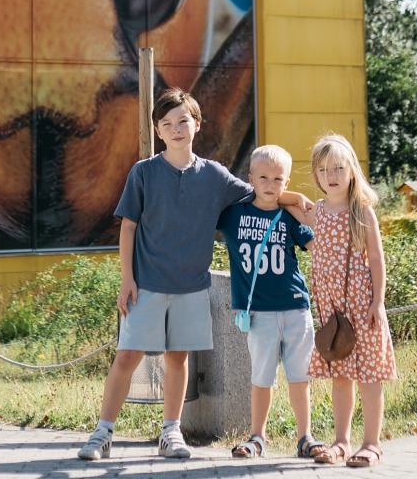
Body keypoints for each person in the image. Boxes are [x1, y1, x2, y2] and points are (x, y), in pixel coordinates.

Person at [76, 88, 309, 461]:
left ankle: (171, 432)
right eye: (167, 124)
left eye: (183, 120)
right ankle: (103, 433)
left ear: (196, 124)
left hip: (191, 287)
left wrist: (294, 199)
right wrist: (126, 278)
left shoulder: (214, 176)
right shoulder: (143, 173)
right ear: (158, 131)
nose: (176, 128)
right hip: (146, 284)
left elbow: (262, 193)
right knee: (127, 356)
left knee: (177, 359)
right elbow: (128, 227)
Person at [217, 144, 325, 460]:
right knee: (261, 377)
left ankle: (305, 436)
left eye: (278, 179)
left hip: (295, 307)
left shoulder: (287, 215)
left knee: (299, 375)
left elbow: (316, 242)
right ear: (250, 177)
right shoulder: (234, 214)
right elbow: (203, 212)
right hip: (259, 312)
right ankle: (257, 437)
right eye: (263, 177)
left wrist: (292, 201)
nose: (269, 184)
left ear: (286, 183)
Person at [305, 132, 396, 468]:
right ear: (316, 174)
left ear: (352, 171)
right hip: (333, 310)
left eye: (339, 168)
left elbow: (376, 259)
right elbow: (289, 203)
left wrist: (379, 302)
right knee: (340, 375)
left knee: (370, 376)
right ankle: (341, 441)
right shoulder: (317, 211)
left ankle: (371, 443)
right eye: (325, 169)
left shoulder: (362, 212)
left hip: (363, 306)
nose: (332, 176)